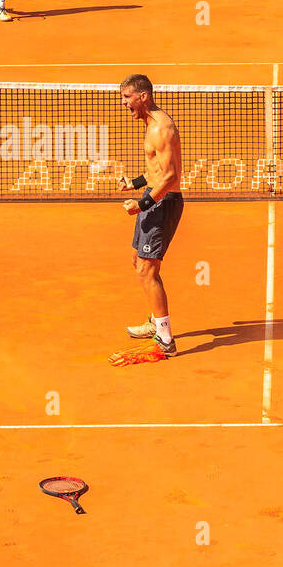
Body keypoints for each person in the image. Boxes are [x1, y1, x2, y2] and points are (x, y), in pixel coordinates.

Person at [109, 74, 184, 363]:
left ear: (143, 96)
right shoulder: (151, 125)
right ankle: (155, 321)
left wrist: (141, 204)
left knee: (148, 270)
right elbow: (156, 170)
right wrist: (137, 182)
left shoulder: (160, 129)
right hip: (154, 199)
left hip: (162, 204)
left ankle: (166, 339)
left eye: (127, 97)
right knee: (138, 262)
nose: (123, 103)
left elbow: (170, 176)